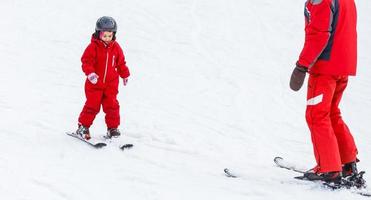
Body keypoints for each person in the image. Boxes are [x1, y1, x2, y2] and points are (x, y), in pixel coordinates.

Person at [289, 0, 361, 184]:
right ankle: (347, 163)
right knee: (331, 113)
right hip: (343, 65)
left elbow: (318, 35)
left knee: (317, 115)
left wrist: (301, 66)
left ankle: (329, 169)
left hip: (325, 69)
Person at [76, 16, 130, 140]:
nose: (107, 39)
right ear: (98, 34)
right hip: (95, 83)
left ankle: (113, 129)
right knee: (92, 106)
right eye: (104, 36)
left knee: (112, 106)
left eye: (109, 36)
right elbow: (86, 61)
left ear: (113, 35)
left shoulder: (116, 48)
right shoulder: (93, 47)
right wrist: (90, 74)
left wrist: (125, 74)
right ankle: (83, 127)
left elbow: (121, 63)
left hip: (111, 84)